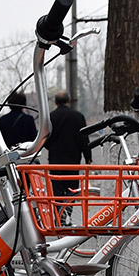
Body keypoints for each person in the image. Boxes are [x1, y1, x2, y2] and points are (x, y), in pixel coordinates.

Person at [44, 90, 92, 223]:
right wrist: (88, 157)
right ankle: (67, 214)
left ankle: (59, 217)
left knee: (57, 191)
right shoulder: (78, 116)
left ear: (55, 101)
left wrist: (52, 148)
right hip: (73, 161)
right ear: (69, 100)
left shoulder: (50, 117)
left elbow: (45, 139)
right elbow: (84, 139)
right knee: (72, 190)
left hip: (55, 161)